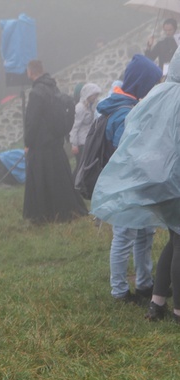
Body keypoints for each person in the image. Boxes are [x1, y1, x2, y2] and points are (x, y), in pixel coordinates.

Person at [90, 49, 180, 322]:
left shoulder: (156, 96)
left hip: (158, 183)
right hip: (175, 183)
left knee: (173, 242)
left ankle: (156, 303)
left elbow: (135, 134)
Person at [95, 54, 162, 303]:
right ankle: (120, 291)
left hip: (137, 182)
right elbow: (129, 151)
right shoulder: (124, 112)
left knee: (145, 232)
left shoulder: (128, 105)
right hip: (127, 183)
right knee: (124, 236)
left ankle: (145, 283)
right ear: (142, 82)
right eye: (152, 82)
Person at [22, 60, 88, 225]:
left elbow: (32, 121)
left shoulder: (36, 93)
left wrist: (28, 142)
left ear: (30, 72)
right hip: (55, 145)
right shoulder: (53, 88)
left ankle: (42, 215)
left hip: (41, 146)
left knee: (42, 182)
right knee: (60, 182)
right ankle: (64, 212)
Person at [69, 83, 102, 170]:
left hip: (87, 141)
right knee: (81, 167)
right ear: (89, 94)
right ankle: (74, 182)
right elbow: (74, 126)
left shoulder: (88, 107)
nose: (95, 97)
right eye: (94, 95)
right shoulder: (80, 108)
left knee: (85, 166)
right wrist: (74, 144)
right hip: (81, 143)